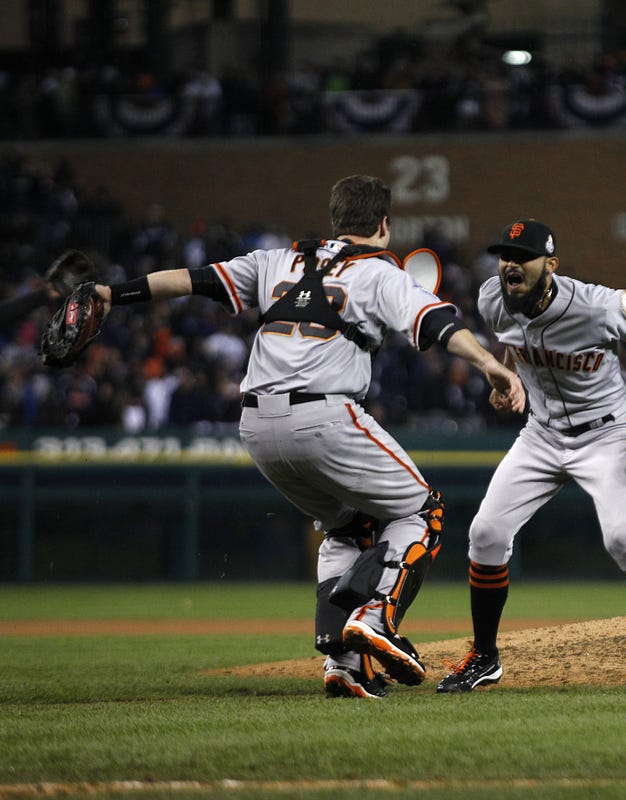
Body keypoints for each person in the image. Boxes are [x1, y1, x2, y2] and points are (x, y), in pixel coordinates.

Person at [92, 175, 525, 699]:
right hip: (324, 416)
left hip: (255, 426)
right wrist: (490, 367)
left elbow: (190, 280)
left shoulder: (274, 260)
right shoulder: (379, 272)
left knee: (347, 528)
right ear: (383, 225)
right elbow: (437, 324)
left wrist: (111, 293)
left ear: (336, 219)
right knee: (422, 511)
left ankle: (343, 665)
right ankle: (375, 617)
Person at [436, 218, 626, 692]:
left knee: (625, 540)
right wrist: (505, 376)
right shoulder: (492, 298)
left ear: (551, 265)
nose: (510, 264)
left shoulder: (597, 305)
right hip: (540, 434)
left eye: (523, 257)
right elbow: (512, 337)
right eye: (505, 255)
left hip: (604, 435)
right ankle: (484, 656)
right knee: (486, 533)